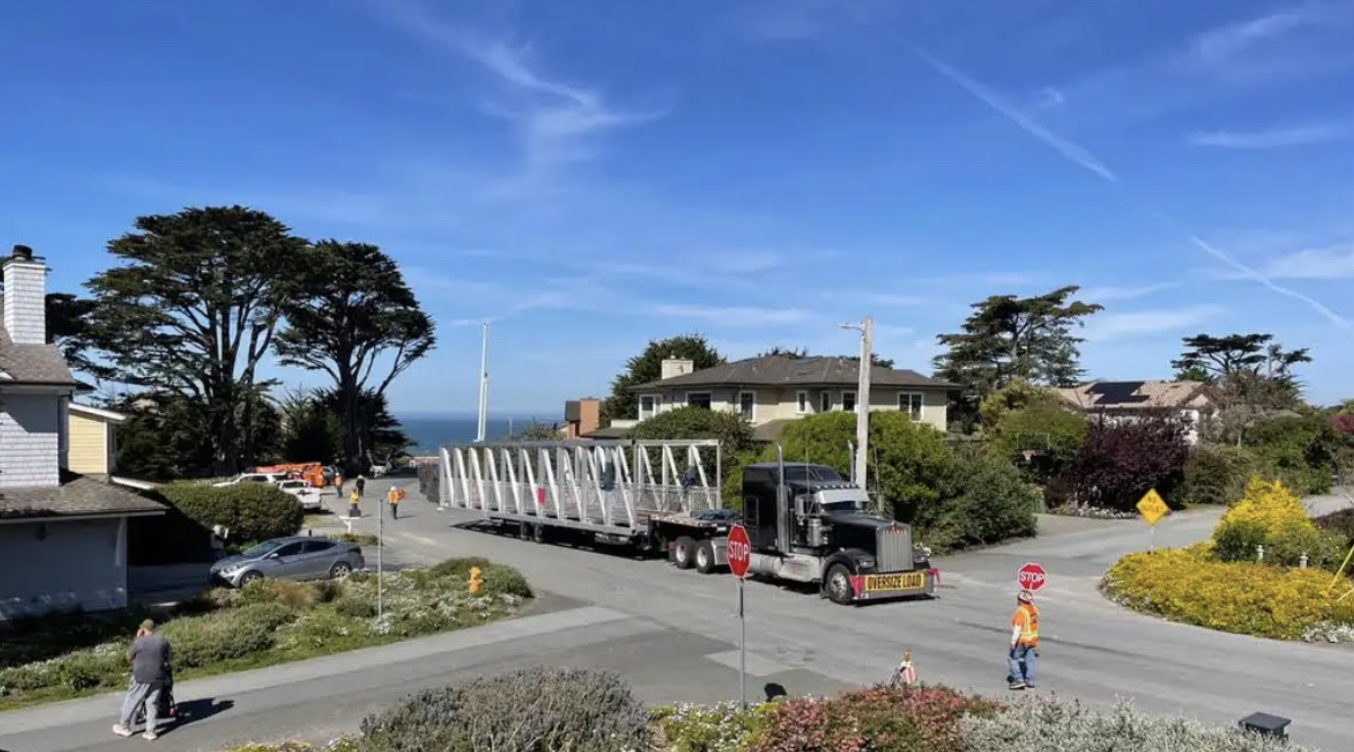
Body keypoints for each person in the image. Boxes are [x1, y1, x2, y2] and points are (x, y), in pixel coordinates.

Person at [113, 619, 173, 740]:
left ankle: (124, 726)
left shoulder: (139, 642)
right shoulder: (163, 641)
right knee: (152, 703)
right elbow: (169, 656)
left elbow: (128, 657)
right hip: (158, 676)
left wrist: (137, 638)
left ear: (143, 629)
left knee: (132, 699)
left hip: (141, 676)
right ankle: (150, 731)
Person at [1007, 589, 1040, 690]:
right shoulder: (1033, 609)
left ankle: (1019, 679)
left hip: (1022, 640)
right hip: (1033, 640)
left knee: (1012, 658)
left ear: (1020, 600)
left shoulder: (1021, 611)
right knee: (1030, 660)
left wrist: (1013, 642)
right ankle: (1030, 680)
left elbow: (1018, 628)